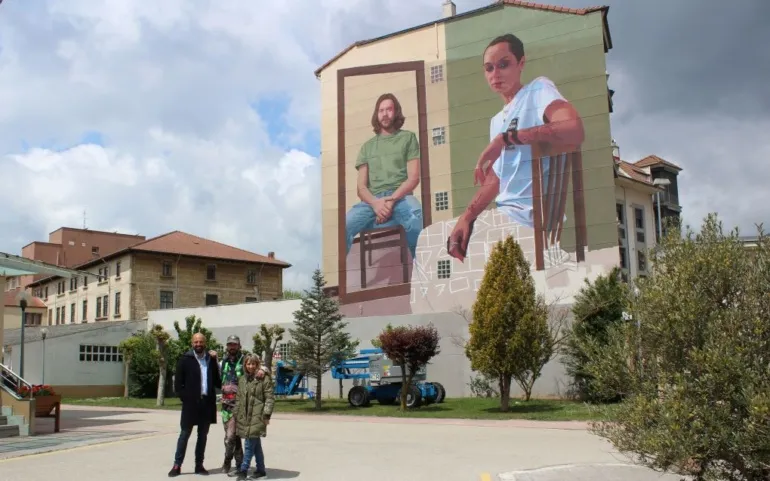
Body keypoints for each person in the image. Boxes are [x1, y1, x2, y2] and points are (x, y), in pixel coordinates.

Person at [447, 33, 585, 262]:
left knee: (430, 244)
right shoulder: (496, 120)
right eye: (489, 68)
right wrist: (467, 217)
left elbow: (574, 129)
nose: (495, 74)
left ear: (521, 63)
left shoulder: (538, 90)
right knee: (452, 236)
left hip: (531, 219)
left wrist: (506, 139)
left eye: (503, 64)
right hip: (506, 216)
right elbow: (498, 178)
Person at [345, 92, 424, 261]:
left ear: (396, 112)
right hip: (372, 201)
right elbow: (361, 188)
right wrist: (375, 204)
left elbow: (413, 178)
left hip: (400, 197)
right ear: (376, 114)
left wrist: (391, 201)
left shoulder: (408, 138)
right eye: (381, 110)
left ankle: (420, 273)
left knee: (415, 216)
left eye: (389, 109)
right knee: (345, 225)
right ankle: (342, 281)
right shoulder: (367, 147)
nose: (385, 113)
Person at [168, 333, 222, 477]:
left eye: (201, 342)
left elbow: (218, 381)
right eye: (196, 342)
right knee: (184, 435)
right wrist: (186, 398)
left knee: (202, 436)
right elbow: (178, 384)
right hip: (190, 404)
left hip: (206, 403)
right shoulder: (185, 360)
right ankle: (177, 465)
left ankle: (199, 465)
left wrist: (216, 360)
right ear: (192, 343)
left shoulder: (210, 359)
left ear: (205, 343)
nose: (198, 344)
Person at [219, 335, 268, 477]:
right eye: (229, 345)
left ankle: (237, 465)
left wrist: (263, 370)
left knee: (235, 437)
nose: (232, 347)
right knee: (231, 438)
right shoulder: (223, 362)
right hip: (226, 407)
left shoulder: (246, 359)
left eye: (234, 344)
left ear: (239, 345)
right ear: (227, 346)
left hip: (243, 406)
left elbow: (262, 366)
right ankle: (235, 463)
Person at [234, 354, 275, 480]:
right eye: (248, 364)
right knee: (255, 444)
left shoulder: (264, 379)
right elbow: (238, 399)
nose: (251, 366)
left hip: (258, 416)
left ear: (258, 365)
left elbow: (269, 398)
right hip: (244, 417)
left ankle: (243, 470)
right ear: (245, 365)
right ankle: (261, 470)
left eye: (253, 364)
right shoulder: (242, 380)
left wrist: (267, 414)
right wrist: (236, 413)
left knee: (249, 444)